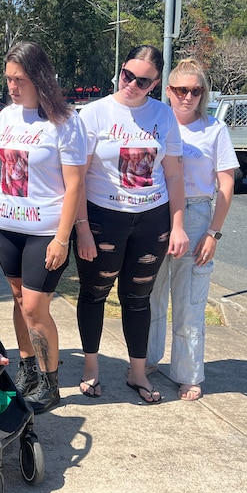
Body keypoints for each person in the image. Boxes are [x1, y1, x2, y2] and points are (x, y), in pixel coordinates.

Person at [75, 45, 190, 404]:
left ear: (155, 84)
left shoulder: (163, 116)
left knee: (138, 299)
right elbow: (76, 178)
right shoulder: (93, 114)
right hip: (101, 219)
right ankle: (91, 369)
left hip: (151, 220)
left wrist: (179, 224)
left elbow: (174, 176)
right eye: (128, 75)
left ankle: (137, 372)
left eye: (143, 81)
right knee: (94, 294)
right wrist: (81, 228)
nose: (132, 84)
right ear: (120, 70)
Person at [0, 41, 88, 413]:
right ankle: (27, 370)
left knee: (34, 306)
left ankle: (50, 383)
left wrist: (63, 238)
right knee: (19, 301)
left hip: (46, 230)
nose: (13, 87)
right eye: (9, 80)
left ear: (39, 78)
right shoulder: (5, 118)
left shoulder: (65, 122)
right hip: (5, 226)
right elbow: (3, 169)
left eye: (20, 80)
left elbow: (75, 184)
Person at [146, 58, 239, 401]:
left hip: (198, 213)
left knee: (190, 301)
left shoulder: (215, 130)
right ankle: (147, 361)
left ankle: (187, 372)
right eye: (181, 90)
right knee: (150, 295)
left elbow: (226, 185)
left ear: (204, 94)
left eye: (195, 91)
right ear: (168, 91)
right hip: (156, 211)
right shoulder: (155, 123)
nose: (188, 97)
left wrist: (214, 233)